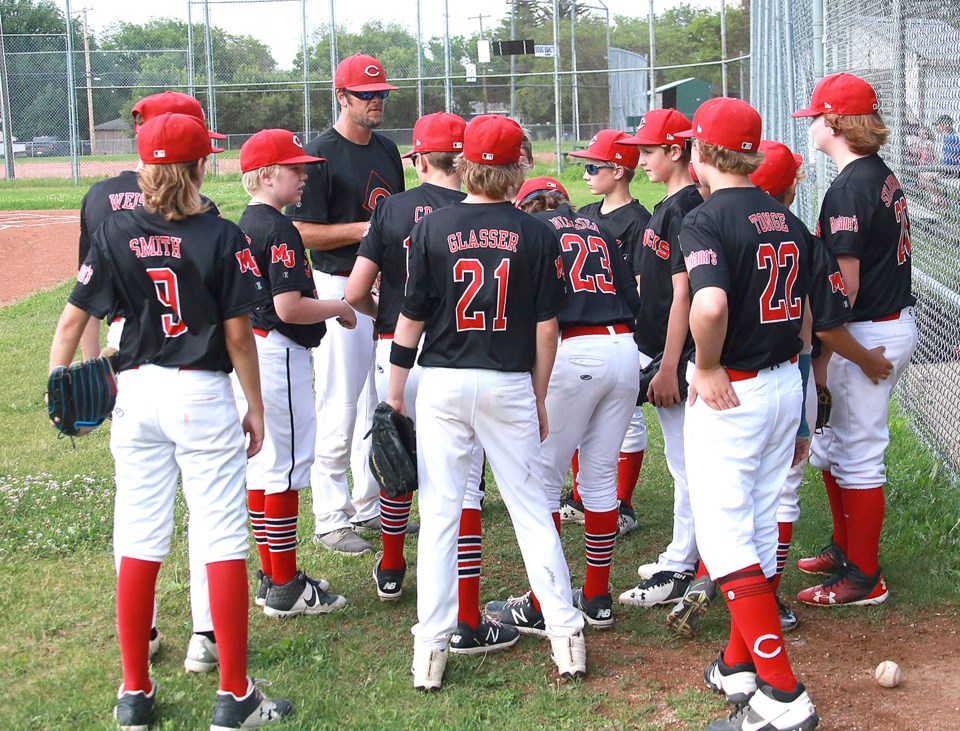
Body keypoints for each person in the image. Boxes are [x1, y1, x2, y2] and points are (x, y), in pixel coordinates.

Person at [49, 112, 291, 730]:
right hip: (201, 394)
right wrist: (255, 406)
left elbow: (74, 320)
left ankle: (133, 692)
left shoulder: (113, 227)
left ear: (145, 168)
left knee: (137, 537)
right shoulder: (222, 234)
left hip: (136, 392)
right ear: (200, 167)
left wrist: (59, 379)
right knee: (221, 541)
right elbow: (239, 337)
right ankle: (233, 694)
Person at [385, 115, 586, 691]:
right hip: (507, 382)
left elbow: (411, 316)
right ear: (517, 165)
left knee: (442, 515)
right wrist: (540, 393)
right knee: (530, 510)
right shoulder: (538, 232)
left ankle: (430, 651)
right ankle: (567, 640)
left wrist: (396, 391)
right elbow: (548, 329)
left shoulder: (433, 226)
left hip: (443, 380)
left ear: (464, 164)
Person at [345, 112, 513, 653]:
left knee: (397, 458)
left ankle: (392, 567)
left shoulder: (391, 208)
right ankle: (466, 615)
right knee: (462, 486)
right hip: (458, 358)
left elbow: (354, 290)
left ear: (417, 159)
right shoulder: (477, 208)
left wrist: (383, 311)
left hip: (395, 348)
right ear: (464, 160)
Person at [676, 97, 819, 730]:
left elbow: (708, 308)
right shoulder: (788, 217)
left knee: (725, 535)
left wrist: (703, 364)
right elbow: (808, 319)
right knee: (760, 523)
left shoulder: (706, 218)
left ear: (700, 153)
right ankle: (739, 664)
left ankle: (783, 696)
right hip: (785, 382)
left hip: (732, 390)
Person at [75, 90, 226, 674]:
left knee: (137, 514)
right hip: (195, 367)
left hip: (130, 359)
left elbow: (85, 301)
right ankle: (207, 635)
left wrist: (96, 373)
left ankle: (143, 640)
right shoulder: (204, 211)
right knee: (208, 511)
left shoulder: (100, 201)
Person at [793, 73, 918, 607]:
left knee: (859, 453)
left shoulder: (849, 186)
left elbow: (842, 290)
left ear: (837, 123)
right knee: (836, 446)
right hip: (877, 324)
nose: (812, 126)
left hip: (868, 332)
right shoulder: (875, 174)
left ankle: (865, 578)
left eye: (817, 117)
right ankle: (847, 551)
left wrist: (831, 353)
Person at [505, 175, 640, 631]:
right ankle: (597, 598)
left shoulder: (531, 232)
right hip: (622, 347)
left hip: (572, 349)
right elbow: (631, 297)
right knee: (600, 478)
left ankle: (544, 603)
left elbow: (528, 310)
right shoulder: (596, 228)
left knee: (542, 480)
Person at [286, 53, 407, 554]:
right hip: (336, 284)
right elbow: (300, 231)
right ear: (341, 96)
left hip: (379, 285)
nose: (376, 101)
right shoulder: (321, 154)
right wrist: (365, 230)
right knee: (338, 399)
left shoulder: (387, 148)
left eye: (380, 94)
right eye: (365, 94)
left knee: (373, 400)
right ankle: (330, 514)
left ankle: (370, 504)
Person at [237, 128, 353, 618]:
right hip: (278, 352)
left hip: (253, 350)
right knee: (283, 469)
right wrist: (340, 306)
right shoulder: (279, 228)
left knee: (263, 469)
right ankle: (285, 586)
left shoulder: (245, 221)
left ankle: (272, 574)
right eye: (294, 168)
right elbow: (289, 307)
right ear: (266, 175)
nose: (304, 176)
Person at [612, 109, 706, 611]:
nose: (638, 158)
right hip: (661, 346)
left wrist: (670, 364)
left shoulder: (686, 207)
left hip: (681, 355)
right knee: (682, 462)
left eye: (647, 150)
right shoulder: (669, 204)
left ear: (676, 151)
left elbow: (687, 294)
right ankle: (684, 554)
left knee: (688, 464)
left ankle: (682, 564)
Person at [563, 130, 652, 535]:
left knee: (628, 420)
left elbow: (639, 284)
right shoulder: (584, 213)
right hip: (587, 330)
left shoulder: (639, 222)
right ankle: (583, 499)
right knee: (580, 417)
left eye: (592, 165)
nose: (585, 173)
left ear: (619, 170)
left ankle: (624, 504)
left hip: (622, 330)